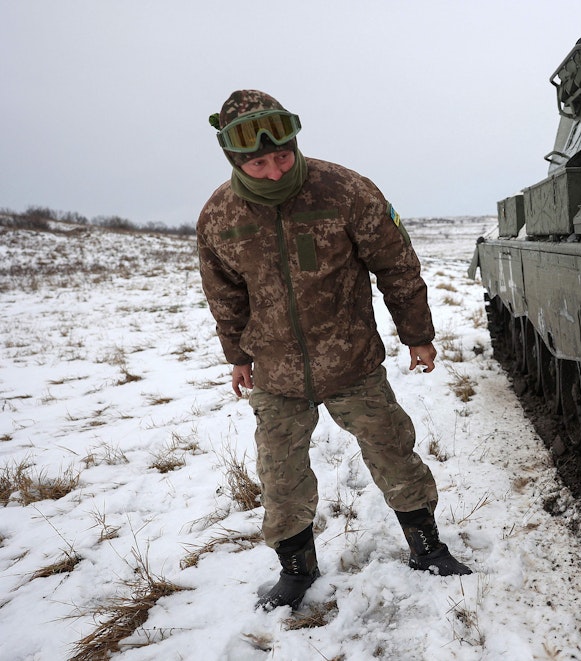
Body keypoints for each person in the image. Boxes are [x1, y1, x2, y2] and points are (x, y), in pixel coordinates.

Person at [197, 89, 471, 612]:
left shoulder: (345, 190)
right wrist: (238, 355)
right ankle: (295, 570)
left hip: (352, 362)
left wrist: (418, 335)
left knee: (393, 448)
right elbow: (224, 296)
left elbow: (397, 264)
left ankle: (427, 546)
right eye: (259, 162)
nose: (276, 172)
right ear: (236, 159)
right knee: (280, 472)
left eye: (282, 156)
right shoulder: (219, 216)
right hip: (275, 371)